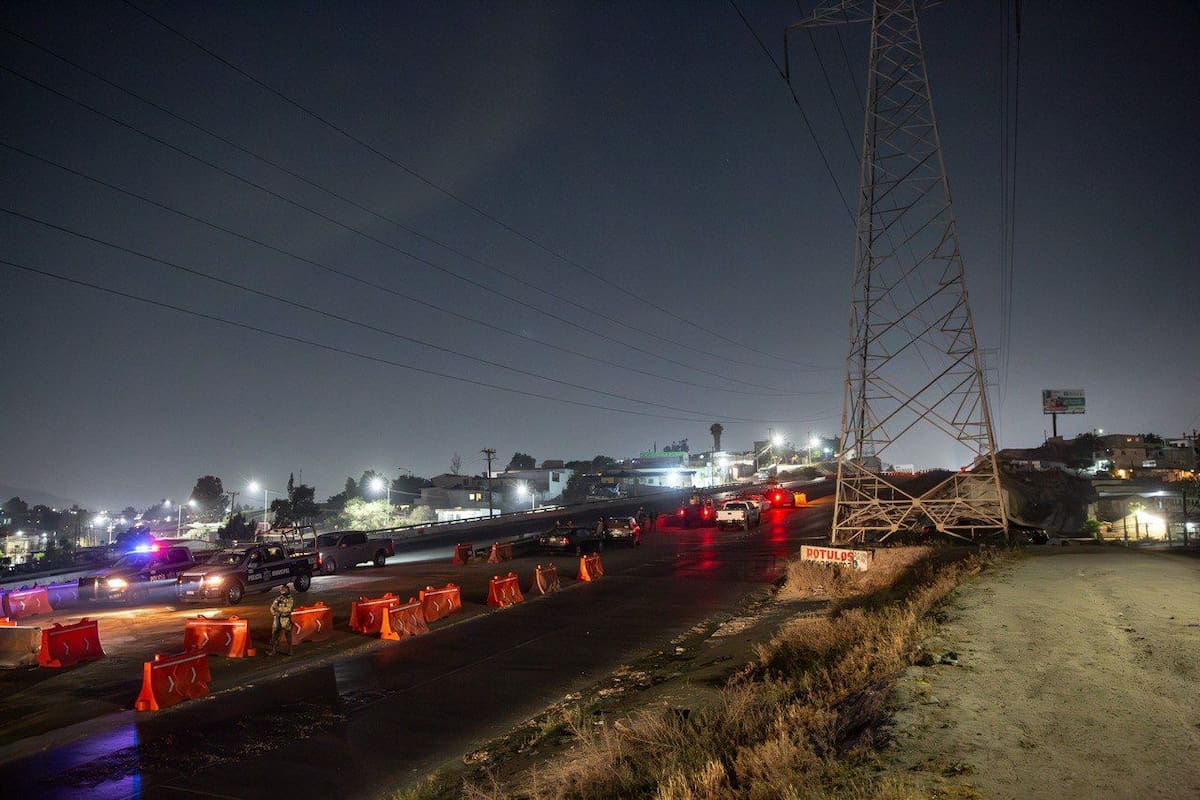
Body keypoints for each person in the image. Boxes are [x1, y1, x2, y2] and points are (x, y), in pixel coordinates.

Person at [269, 583, 295, 656]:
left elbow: (288, 609)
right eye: (281, 590)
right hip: (277, 619)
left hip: (285, 620)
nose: (282, 591)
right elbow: (272, 607)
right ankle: (274, 650)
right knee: (274, 635)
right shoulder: (278, 599)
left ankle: (290, 650)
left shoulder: (290, 599)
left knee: (288, 636)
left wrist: (278, 609)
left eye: (284, 590)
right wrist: (274, 613)